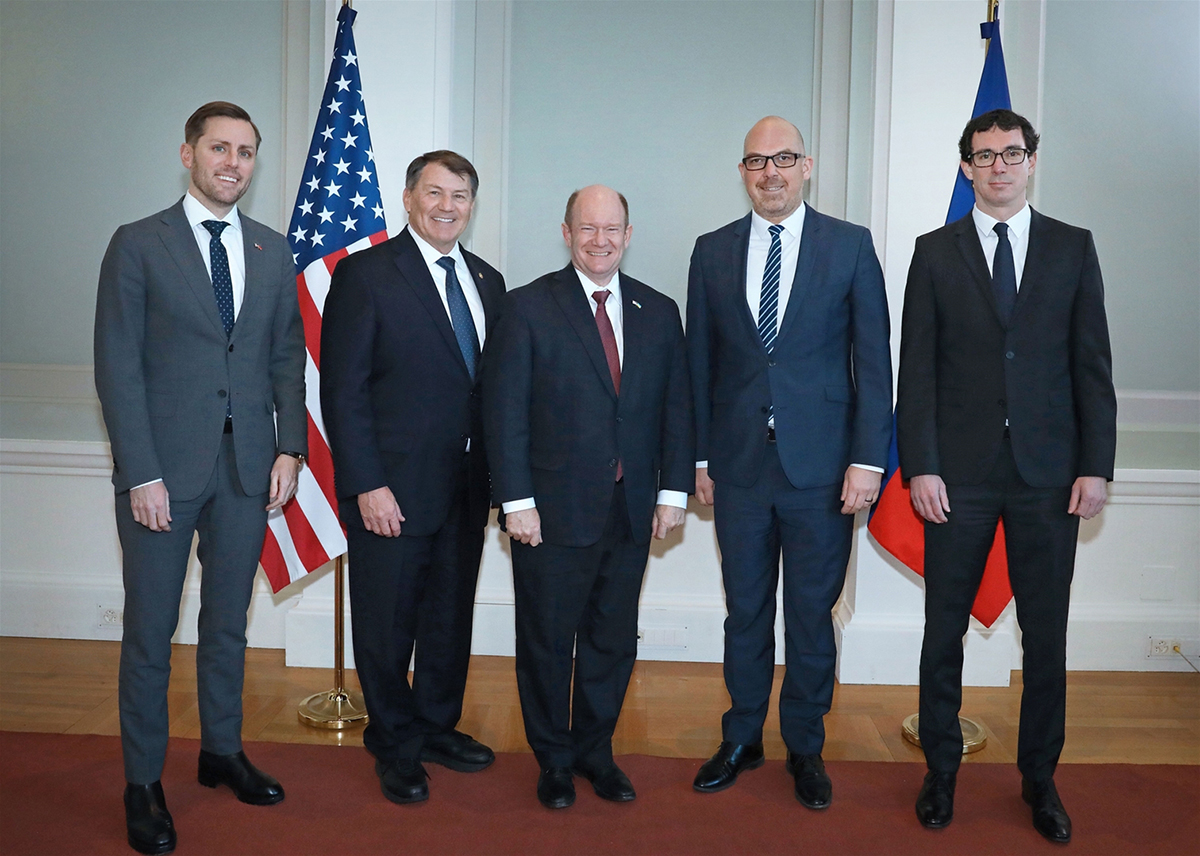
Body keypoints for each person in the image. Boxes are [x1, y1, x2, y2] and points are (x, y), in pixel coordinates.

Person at [94, 101, 307, 855]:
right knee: (152, 632)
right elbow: (117, 367)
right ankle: (143, 782)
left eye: (246, 152)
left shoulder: (271, 249)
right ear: (187, 154)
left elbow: (285, 356)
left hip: (248, 468)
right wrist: (140, 472)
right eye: (219, 148)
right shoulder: (138, 244)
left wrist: (291, 449)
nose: (233, 163)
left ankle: (221, 752)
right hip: (163, 474)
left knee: (227, 624)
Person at [898, 109, 1115, 844]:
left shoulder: (1071, 248)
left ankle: (1040, 779)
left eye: (1010, 153)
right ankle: (941, 772)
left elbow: (1093, 367)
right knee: (942, 631)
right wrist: (920, 464)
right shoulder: (934, 252)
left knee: (1045, 634)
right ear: (966, 166)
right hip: (955, 478)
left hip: (1050, 476)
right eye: (983, 155)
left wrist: (1096, 466)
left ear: (1031, 160)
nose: (998, 166)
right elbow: (916, 372)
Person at [686, 116, 892, 809]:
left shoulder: (851, 246)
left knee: (810, 613)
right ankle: (742, 737)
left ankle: (805, 744)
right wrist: (701, 457)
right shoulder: (711, 252)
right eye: (755, 161)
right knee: (745, 610)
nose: (769, 172)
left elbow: (874, 362)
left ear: (807, 165)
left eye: (782, 158)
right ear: (742, 172)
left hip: (824, 471)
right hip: (739, 469)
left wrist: (868, 460)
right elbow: (699, 366)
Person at [483, 185, 693, 809]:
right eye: (587, 228)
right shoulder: (528, 307)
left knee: (611, 639)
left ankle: (594, 752)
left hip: (630, 509)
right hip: (547, 514)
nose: (599, 240)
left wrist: (674, 490)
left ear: (629, 235)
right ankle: (552, 760)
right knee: (547, 639)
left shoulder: (659, 311)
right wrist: (515, 500)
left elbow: (675, 410)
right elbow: (505, 412)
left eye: (612, 229)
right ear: (567, 232)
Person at [319, 150, 505, 805]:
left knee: (448, 618)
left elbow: (493, 393)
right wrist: (367, 483)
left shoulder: (488, 280)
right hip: (390, 491)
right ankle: (394, 744)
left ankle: (434, 726)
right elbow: (343, 391)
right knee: (387, 622)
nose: (446, 206)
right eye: (434, 193)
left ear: (471, 206)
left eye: (459, 195)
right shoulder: (366, 275)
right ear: (408, 198)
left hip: (465, 488)